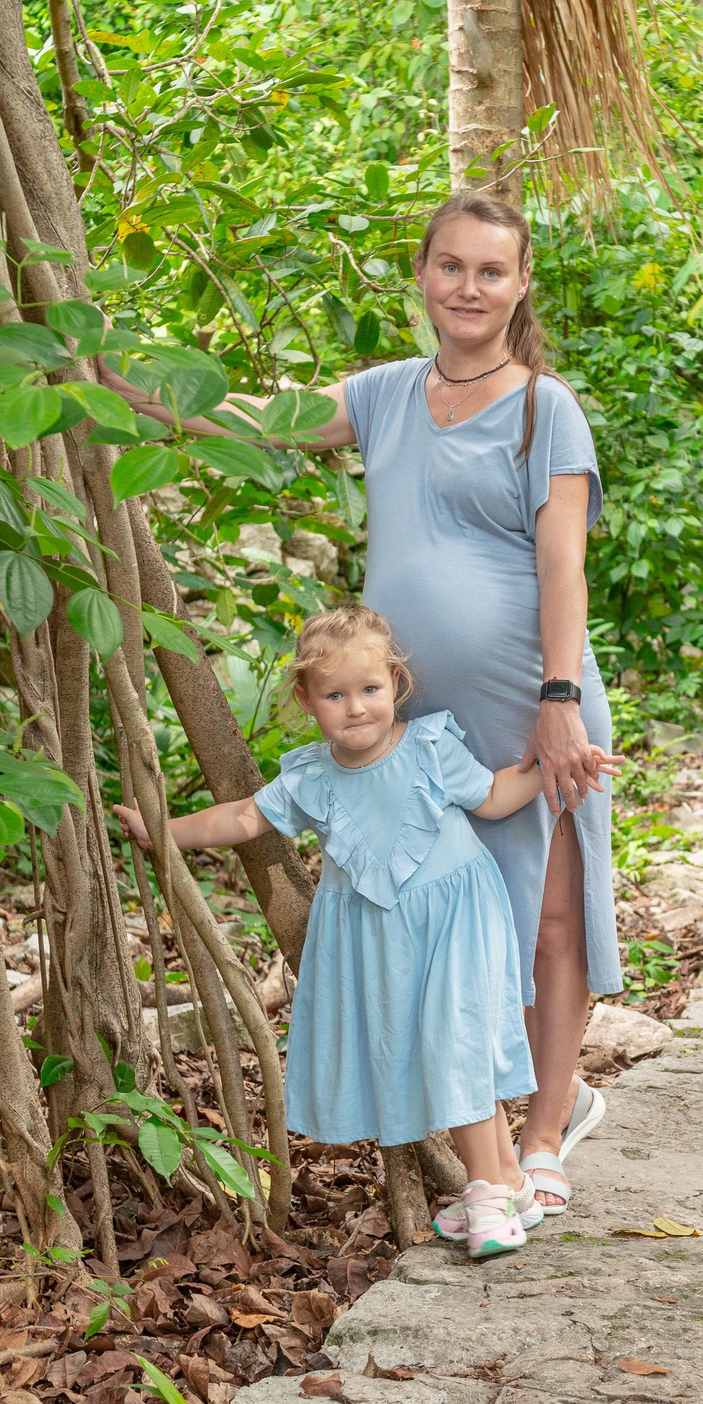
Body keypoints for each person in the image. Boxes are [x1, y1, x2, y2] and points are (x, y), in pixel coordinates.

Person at [117, 191, 621, 1219]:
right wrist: (105, 372)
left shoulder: (543, 407)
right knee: (451, 920)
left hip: (532, 698)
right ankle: (486, 1122)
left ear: (520, 285)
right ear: (424, 275)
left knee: (549, 918)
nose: (468, 286)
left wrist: (559, 699)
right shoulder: (386, 393)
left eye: (491, 270)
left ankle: (543, 1129)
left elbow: (562, 560)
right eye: (451, 266)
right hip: (407, 726)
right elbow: (256, 417)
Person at [118, 607, 619, 1259]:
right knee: (438, 1054)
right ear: (306, 699)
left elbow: (493, 797)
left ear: (395, 685)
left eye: (370, 690)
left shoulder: (430, 746)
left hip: (459, 924)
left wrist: (552, 767)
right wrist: (161, 829)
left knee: (453, 1049)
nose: (356, 708)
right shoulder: (313, 778)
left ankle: (486, 1195)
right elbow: (242, 818)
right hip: (388, 945)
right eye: (335, 695)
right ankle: (512, 1183)